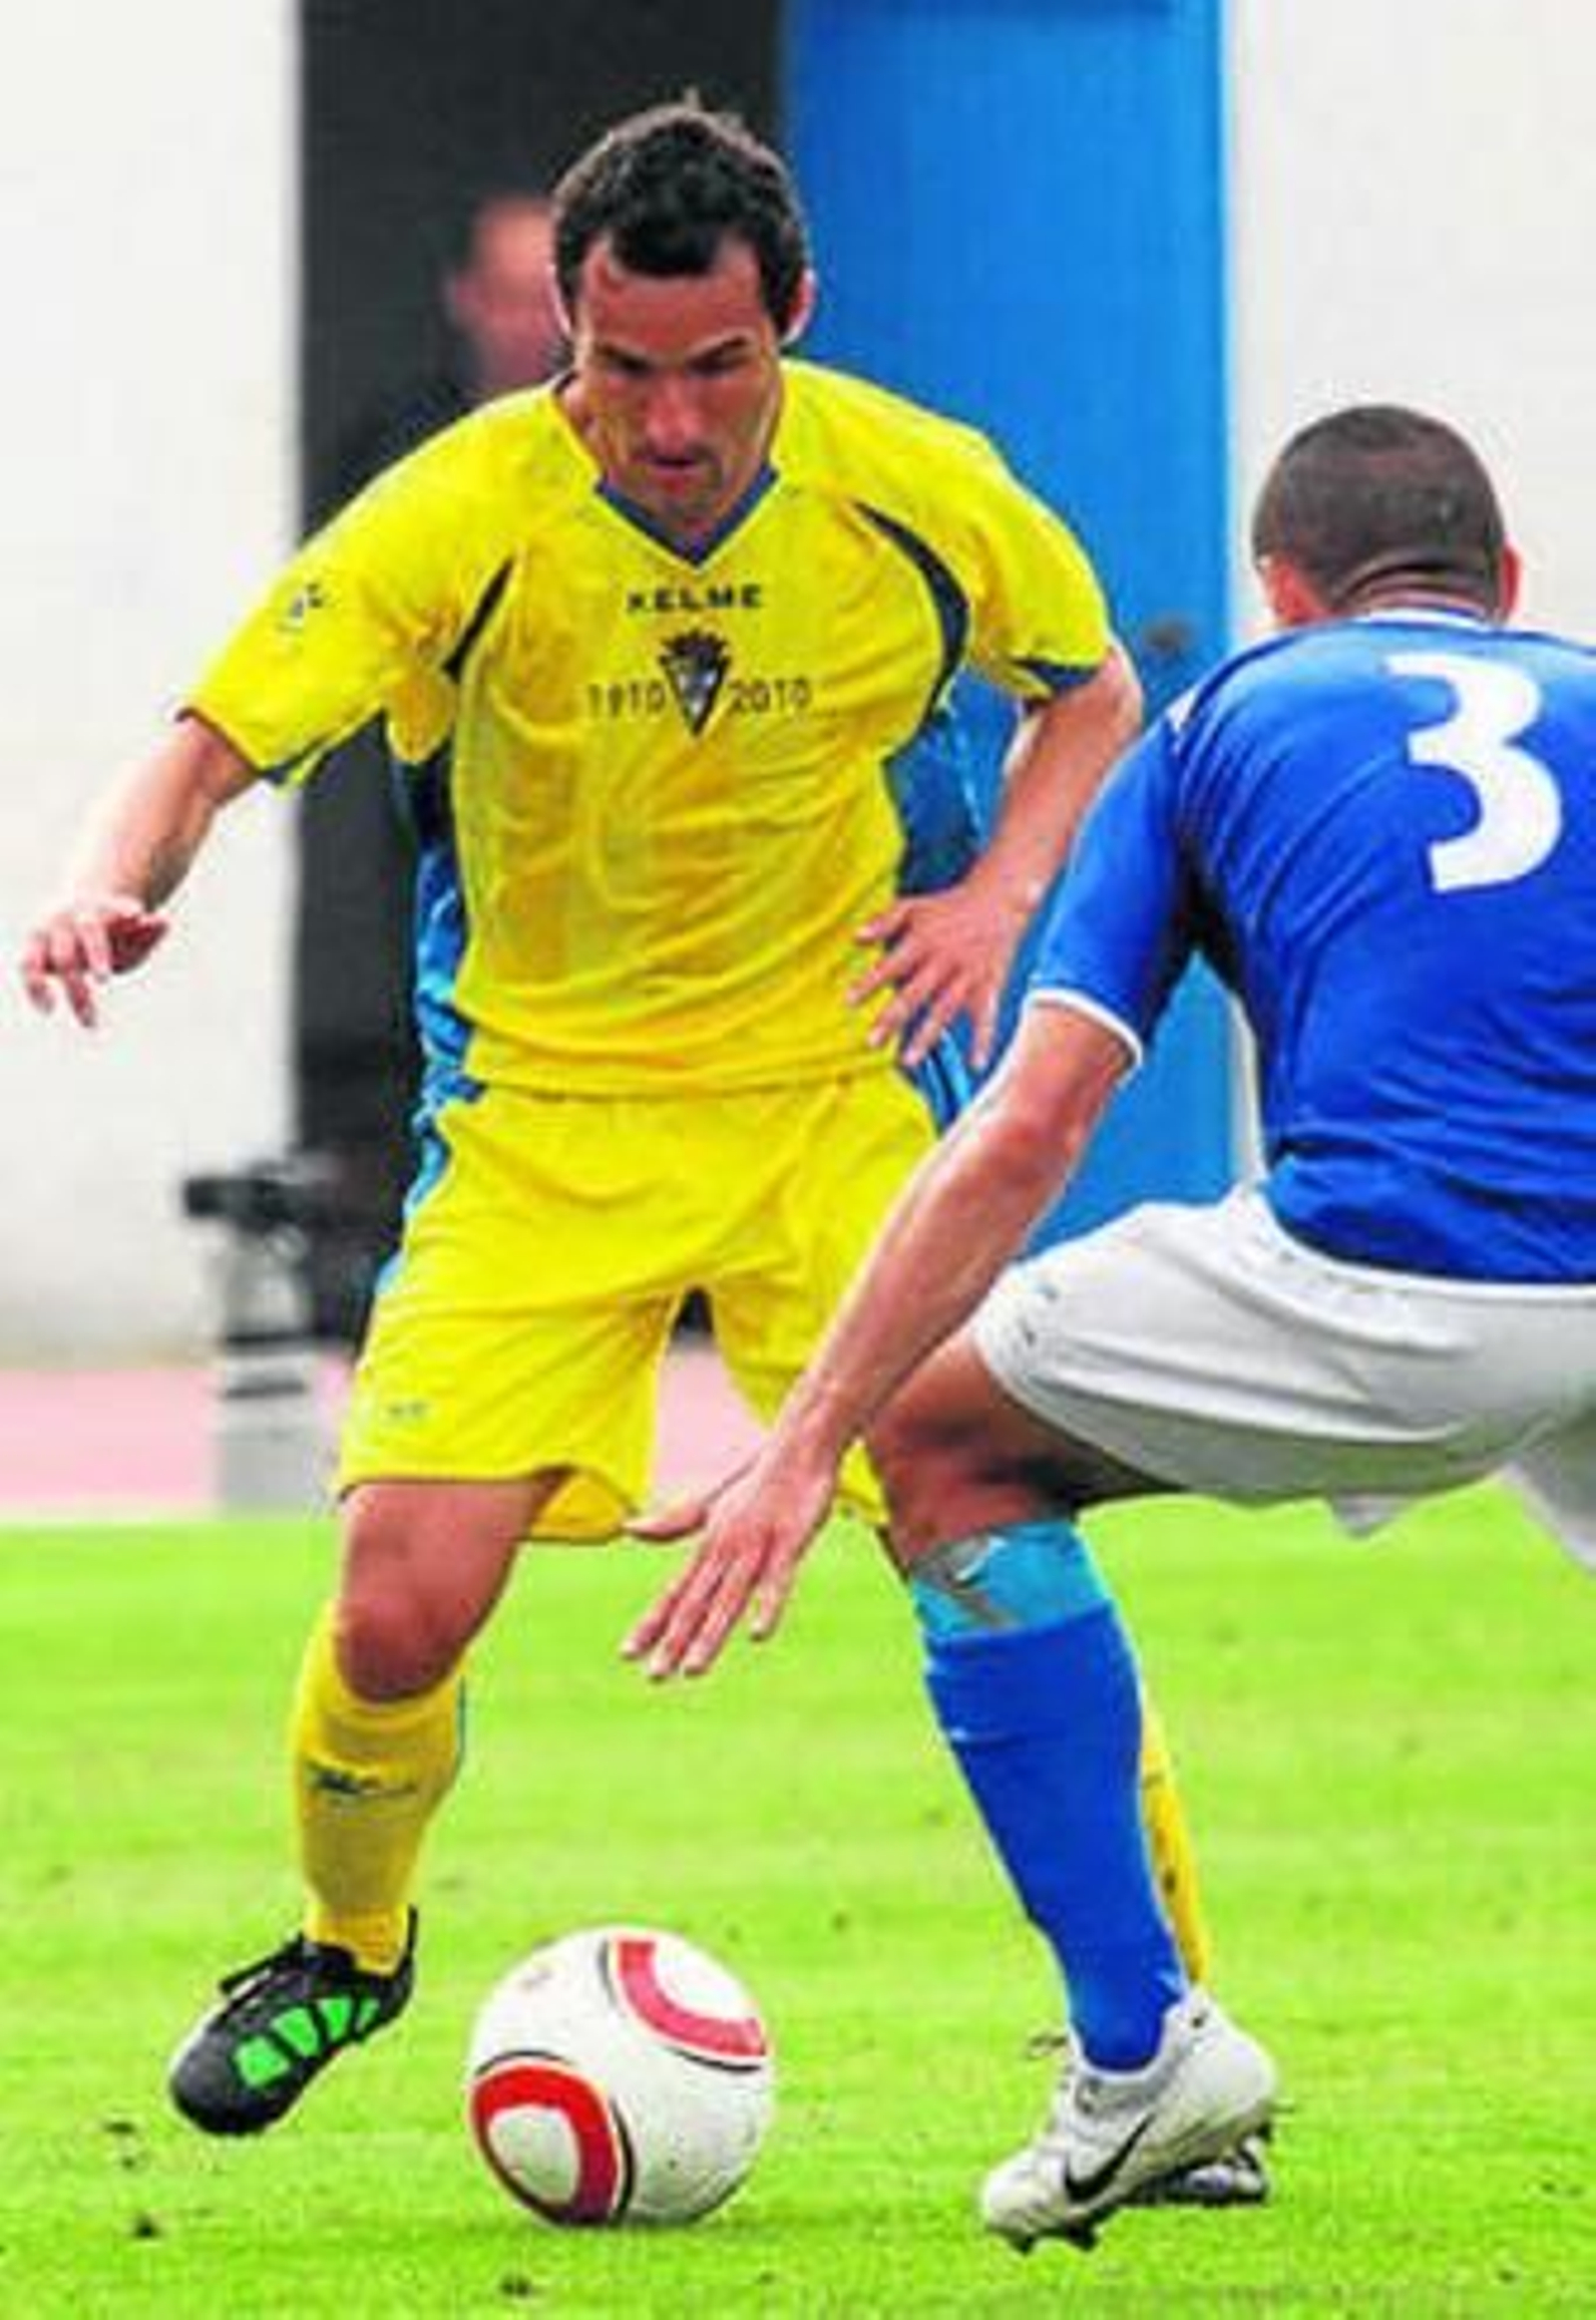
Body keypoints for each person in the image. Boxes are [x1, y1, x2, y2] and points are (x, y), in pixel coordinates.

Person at [22, 102, 1237, 2181]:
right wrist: (99, 875)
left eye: (713, 367)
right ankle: (348, 1937)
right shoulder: (461, 510)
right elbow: (210, 738)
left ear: (793, 325)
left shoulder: (914, 490)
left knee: (981, 1523)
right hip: (537, 1126)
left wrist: (993, 896)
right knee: (399, 1601)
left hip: (828, 1103)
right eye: (617, 366)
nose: (665, 422)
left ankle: (1161, 2049)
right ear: (564, 331)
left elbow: (1090, 684)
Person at [628, 400, 1596, 2248]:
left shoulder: (1227, 716)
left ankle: (1143, 2055)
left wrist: (809, 1436)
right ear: (1512, 584)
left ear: (1282, 590)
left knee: (946, 1440)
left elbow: (1033, 1123)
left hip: (1398, 1278)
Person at [299, 190, 567, 1341]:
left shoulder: (641, 448)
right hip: (444, 810)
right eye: (510, 294)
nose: (532, 324)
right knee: (446, 1032)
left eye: (551, 296)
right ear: (465, 301)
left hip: (598, 809)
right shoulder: (402, 447)